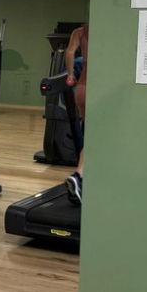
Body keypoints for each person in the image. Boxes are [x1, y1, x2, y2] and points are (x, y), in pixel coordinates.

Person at [63, 24, 88, 203]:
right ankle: (79, 175)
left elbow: (70, 51)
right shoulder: (109, 29)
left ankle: (81, 176)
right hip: (98, 86)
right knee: (95, 137)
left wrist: (70, 75)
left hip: (82, 88)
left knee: (88, 132)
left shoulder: (80, 32)